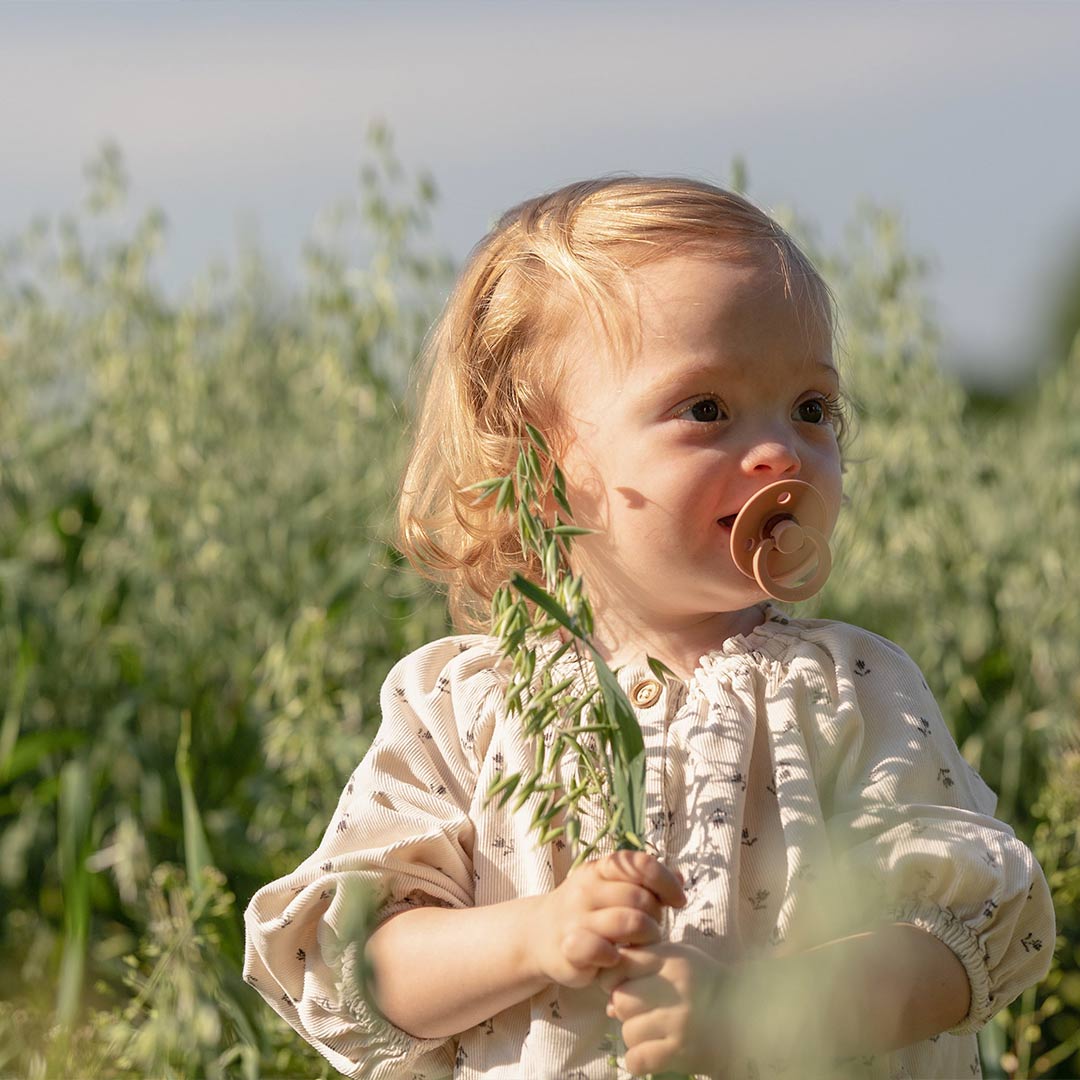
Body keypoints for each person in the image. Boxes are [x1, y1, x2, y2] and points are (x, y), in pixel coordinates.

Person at [242, 178, 1055, 1080]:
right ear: (539, 462)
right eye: (706, 409)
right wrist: (536, 934)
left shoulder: (850, 688)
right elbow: (359, 964)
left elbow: (960, 942)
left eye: (813, 408)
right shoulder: (460, 706)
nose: (784, 452)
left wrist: (763, 1015)